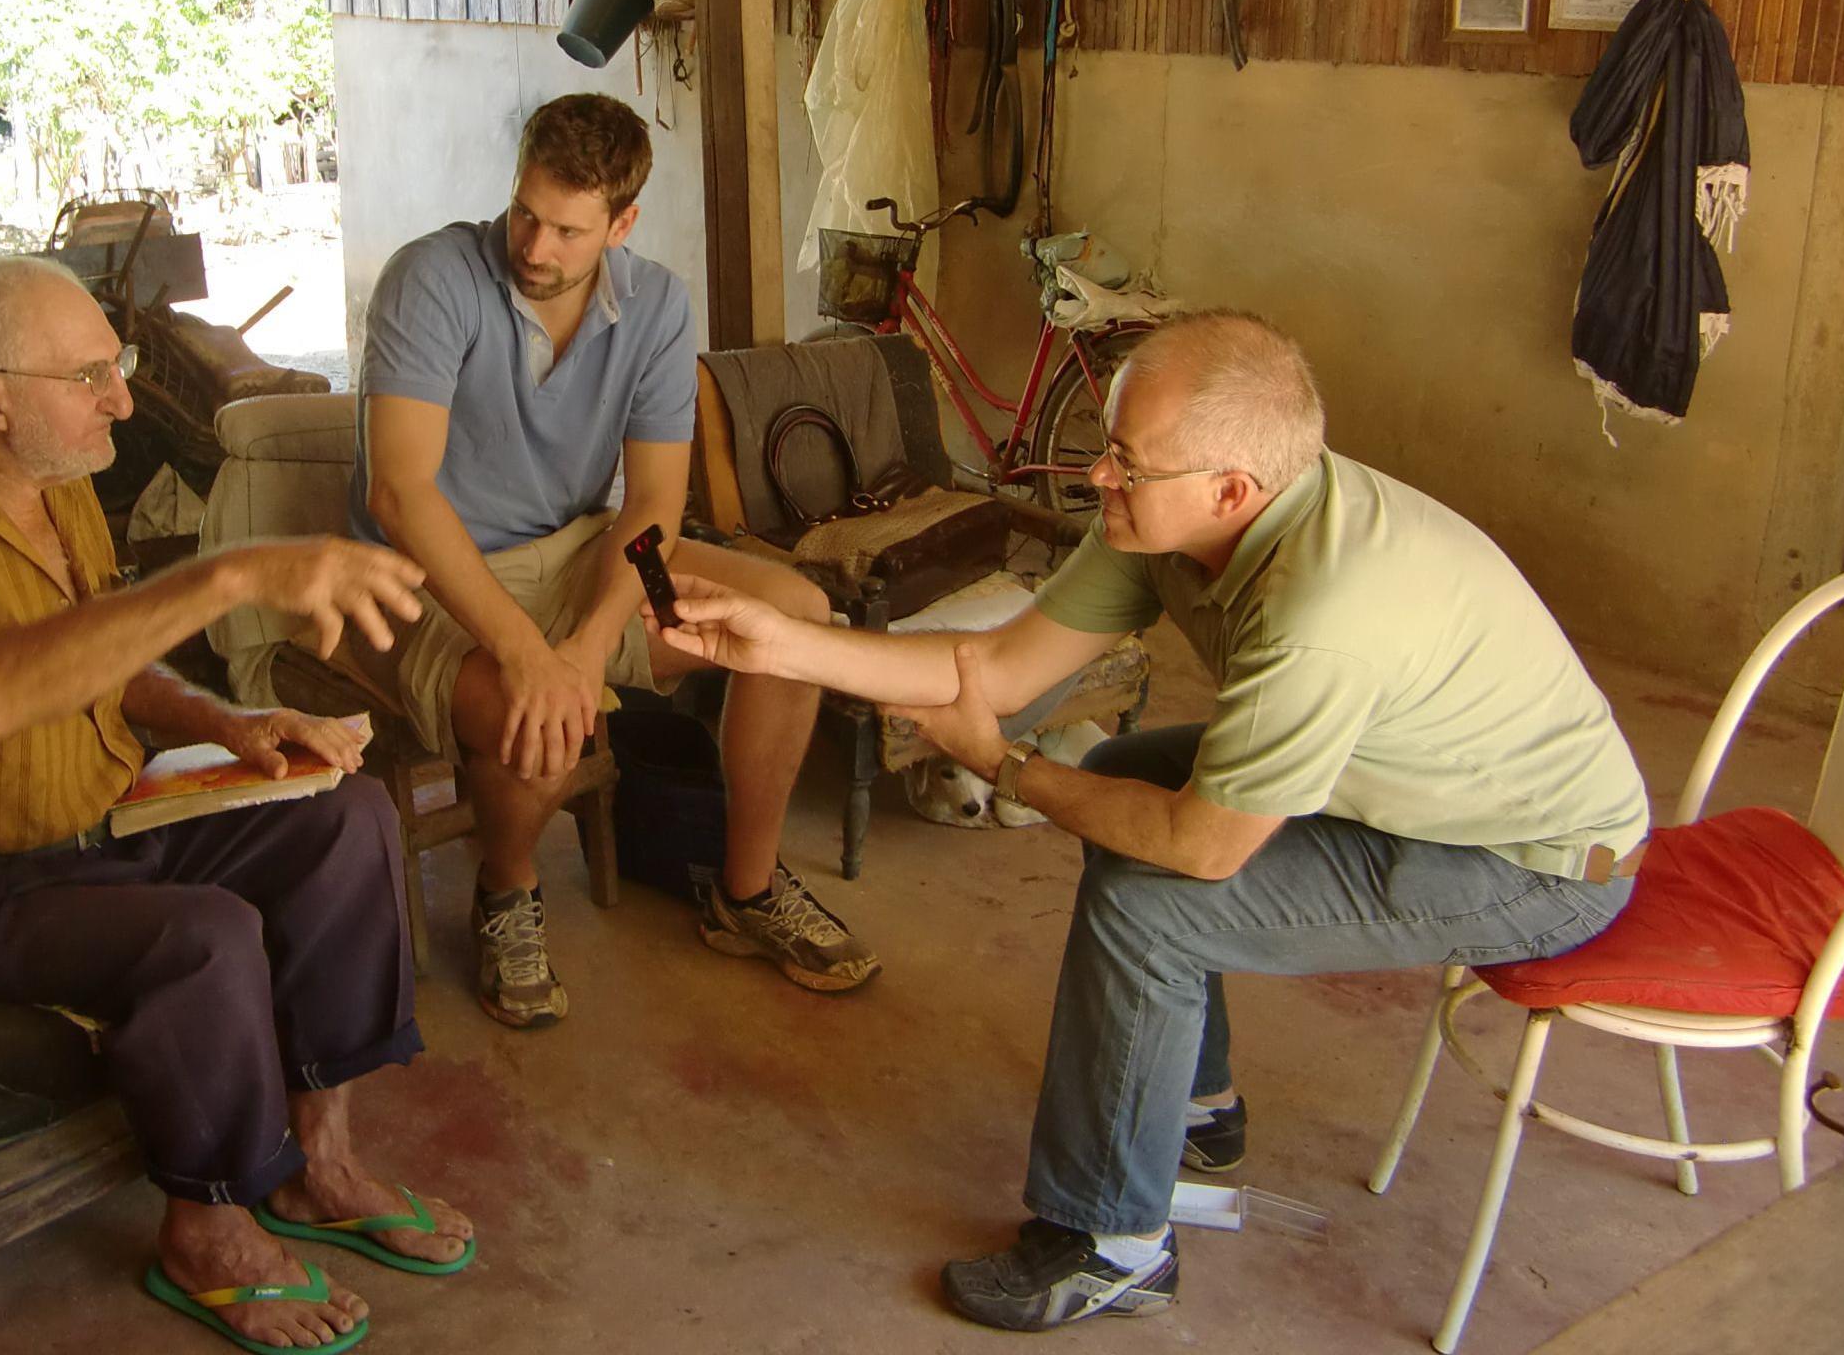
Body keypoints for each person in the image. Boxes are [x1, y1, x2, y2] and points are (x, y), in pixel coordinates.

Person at [651, 311, 1647, 1332]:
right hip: (1410, 784)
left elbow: (1201, 846)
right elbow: (987, 668)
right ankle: (1200, 1115)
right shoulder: (1178, 522)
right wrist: (778, 645)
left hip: (1529, 862)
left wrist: (1006, 766)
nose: (1096, 478)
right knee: (1127, 776)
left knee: (1151, 905)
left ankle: (1111, 1243)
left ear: (1230, 489)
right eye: (1106, 446)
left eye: (1127, 462)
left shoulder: (1324, 615)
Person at [0, 256, 472, 1353]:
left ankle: (321, 1164)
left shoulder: (57, 483)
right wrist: (225, 578)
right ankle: (205, 1234)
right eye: (91, 376)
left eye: (112, 367)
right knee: (202, 936)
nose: (122, 398)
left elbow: (101, 659)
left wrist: (226, 725)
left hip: (109, 819)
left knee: (343, 819)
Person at [346, 92, 877, 1029]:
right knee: (534, 705)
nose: (536, 246)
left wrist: (590, 644)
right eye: (524, 213)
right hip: (432, 571)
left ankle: (744, 893)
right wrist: (528, 653)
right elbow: (401, 497)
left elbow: (653, 509)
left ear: (621, 223)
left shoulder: (659, 305)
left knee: (796, 617)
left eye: (567, 229)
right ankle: (508, 891)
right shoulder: (431, 278)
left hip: (591, 551)